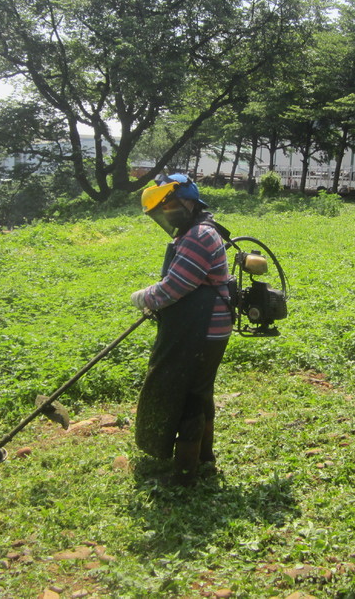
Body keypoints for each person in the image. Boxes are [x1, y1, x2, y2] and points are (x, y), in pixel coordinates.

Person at [130, 174, 232, 485]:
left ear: (189, 202)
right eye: (165, 207)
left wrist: (142, 297)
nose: (169, 212)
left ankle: (185, 474)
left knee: (189, 396)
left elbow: (175, 286)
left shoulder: (200, 235)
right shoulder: (191, 233)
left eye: (172, 204)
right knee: (199, 393)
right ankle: (204, 458)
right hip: (197, 327)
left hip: (202, 331)